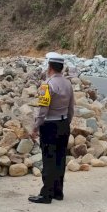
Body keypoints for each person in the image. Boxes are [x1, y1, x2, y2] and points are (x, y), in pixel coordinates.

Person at [29, 52, 75, 203]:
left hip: (50, 125)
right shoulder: (68, 83)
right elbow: (71, 108)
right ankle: (58, 191)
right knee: (60, 159)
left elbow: (43, 110)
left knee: (48, 159)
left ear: (49, 67)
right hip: (63, 124)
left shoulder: (47, 85)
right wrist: (67, 122)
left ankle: (46, 194)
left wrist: (36, 126)